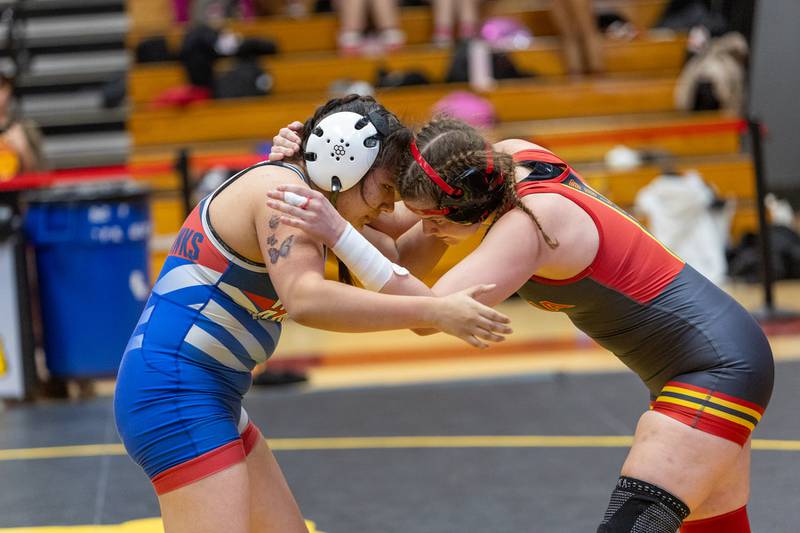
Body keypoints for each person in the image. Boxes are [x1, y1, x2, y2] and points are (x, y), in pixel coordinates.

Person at [266, 115, 774, 533]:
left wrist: (335, 230)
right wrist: (311, 169)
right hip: (706, 361)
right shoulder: (506, 160)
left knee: (634, 526)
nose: (429, 231)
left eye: (437, 221)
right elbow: (387, 225)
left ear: (467, 207)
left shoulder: (532, 226)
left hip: (715, 369)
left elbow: (425, 313)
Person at [113, 97, 512, 533]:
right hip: (175, 393)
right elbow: (305, 297)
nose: (387, 207)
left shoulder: (314, 197)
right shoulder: (286, 199)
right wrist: (436, 312)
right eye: (384, 191)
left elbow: (399, 254)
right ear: (344, 161)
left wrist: (455, 211)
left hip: (206, 394)